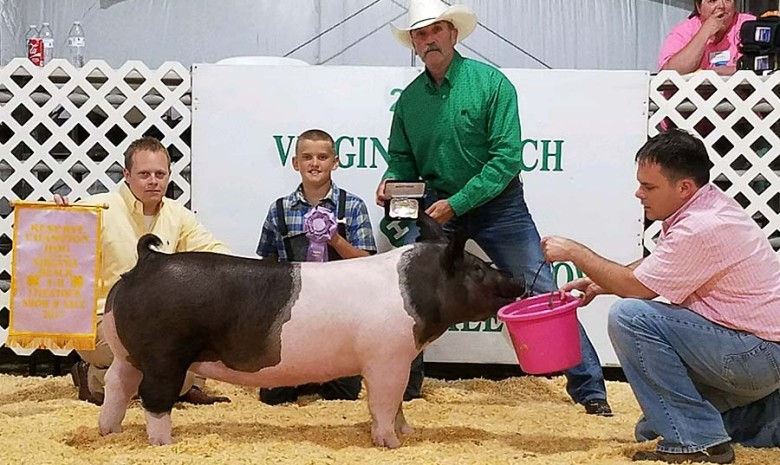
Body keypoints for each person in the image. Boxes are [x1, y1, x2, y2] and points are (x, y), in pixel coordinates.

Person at [376, 0, 612, 415]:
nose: (428, 39)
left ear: (453, 34)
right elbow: (401, 157)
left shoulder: (491, 83)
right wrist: (392, 183)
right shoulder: (410, 101)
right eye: (420, 34)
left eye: (435, 31)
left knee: (543, 292)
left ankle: (591, 390)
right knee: (410, 295)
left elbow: (506, 160)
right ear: (413, 43)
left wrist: (458, 203)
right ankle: (405, 387)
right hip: (436, 208)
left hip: (498, 207)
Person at [542, 129, 780, 463]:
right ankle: (764, 418)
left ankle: (699, 443)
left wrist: (575, 252)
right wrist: (599, 282)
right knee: (651, 428)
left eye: (649, 186)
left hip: (754, 356)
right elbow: (663, 262)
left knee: (630, 316)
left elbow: (636, 288)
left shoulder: (702, 225)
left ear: (684, 187)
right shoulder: (708, 206)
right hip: (758, 354)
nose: (639, 193)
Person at [56, 137, 230, 406]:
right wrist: (58, 218)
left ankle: (182, 384)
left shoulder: (178, 215)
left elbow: (213, 251)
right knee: (158, 360)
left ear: (169, 176)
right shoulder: (96, 208)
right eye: (144, 174)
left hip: (155, 322)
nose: (153, 181)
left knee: (161, 354)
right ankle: (93, 377)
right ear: (127, 175)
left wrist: (246, 271)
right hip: (101, 319)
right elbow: (55, 251)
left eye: (160, 174)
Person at [256, 129, 378, 404]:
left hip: (342, 314)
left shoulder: (354, 206)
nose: (315, 163)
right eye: (307, 157)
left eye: (322, 157)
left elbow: (369, 265)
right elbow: (266, 264)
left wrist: (335, 240)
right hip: (291, 316)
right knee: (273, 398)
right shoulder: (279, 209)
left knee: (344, 395)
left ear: (335, 162)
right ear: (295, 163)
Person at [659, 0, 755, 75]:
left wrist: (732, 71)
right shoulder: (684, 30)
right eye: (712, 1)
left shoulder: (749, 24)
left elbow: (765, 64)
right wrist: (704, 33)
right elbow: (669, 73)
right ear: (698, 7)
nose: (721, 6)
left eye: (727, 0)